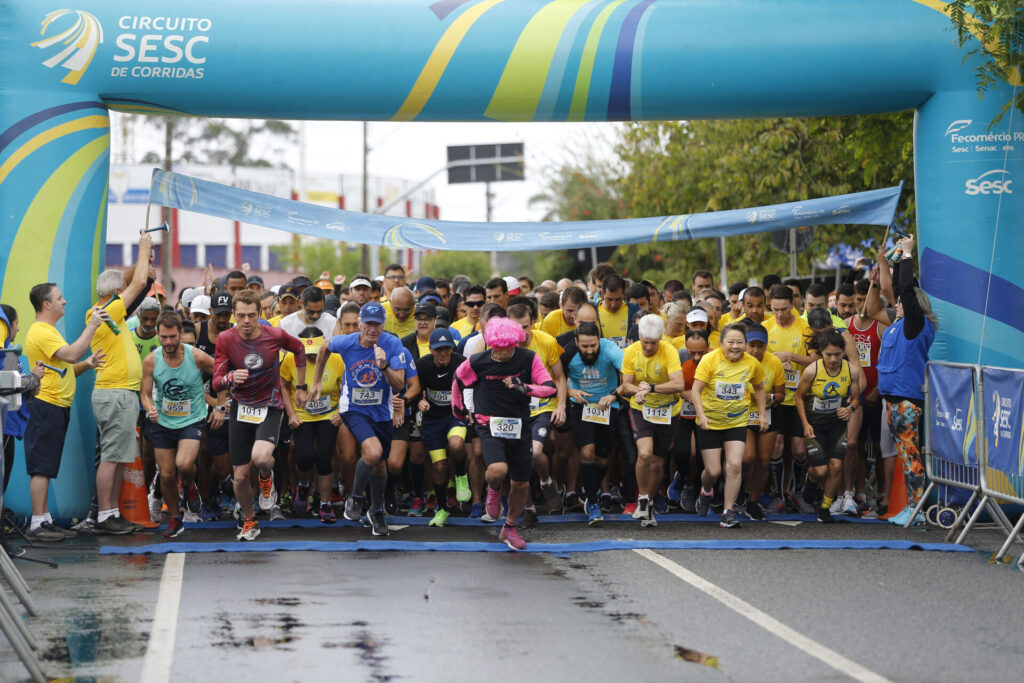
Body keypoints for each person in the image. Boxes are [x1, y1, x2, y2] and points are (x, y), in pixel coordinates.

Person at [212, 289, 307, 541]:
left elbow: (299, 349)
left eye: (251, 315)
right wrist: (231, 377)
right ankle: (249, 519)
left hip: (270, 406)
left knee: (262, 458)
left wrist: (300, 386)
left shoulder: (274, 335)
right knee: (241, 476)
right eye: (241, 315)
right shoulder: (225, 339)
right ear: (233, 315)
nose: (246, 321)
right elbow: (216, 382)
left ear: (260, 314)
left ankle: (266, 478)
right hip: (242, 408)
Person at [453, 317, 556, 550]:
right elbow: (458, 380)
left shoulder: (527, 358)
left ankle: (509, 527)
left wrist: (524, 387)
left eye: (508, 349)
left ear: (515, 343)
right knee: (498, 469)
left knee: (521, 484)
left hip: (520, 424)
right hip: (488, 423)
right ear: (491, 344)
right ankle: (494, 487)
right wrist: (460, 411)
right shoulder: (478, 361)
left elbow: (550, 387)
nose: (502, 354)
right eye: (497, 350)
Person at [312, 302, 408, 537]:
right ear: (361, 323)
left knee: (380, 465)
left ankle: (376, 511)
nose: (372, 329)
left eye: (377, 324)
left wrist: (384, 366)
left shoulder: (393, 344)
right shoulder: (347, 342)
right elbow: (324, 347)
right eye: (368, 324)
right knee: (373, 453)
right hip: (353, 408)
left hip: (382, 412)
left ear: (383, 325)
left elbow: (399, 384)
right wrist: (315, 381)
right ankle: (354, 498)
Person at [24, 283, 106, 542]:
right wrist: (92, 326)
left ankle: (45, 519)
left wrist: (87, 363)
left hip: (55, 406)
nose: (65, 301)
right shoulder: (42, 331)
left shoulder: (48, 331)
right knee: (41, 467)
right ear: (46, 304)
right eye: (60, 298)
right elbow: (70, 355)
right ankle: (37, 522)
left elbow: (65, 367)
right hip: (46, 405)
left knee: (46, 465)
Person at [87, 233, 153, 535]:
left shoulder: (109, 314)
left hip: (118, 393)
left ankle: (110, 512)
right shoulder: (107, 310)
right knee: (112, 457)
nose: (126, 295)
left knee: (115, 456)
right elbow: (138, 284)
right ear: (115, 291)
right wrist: (143, 249)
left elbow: (139, 283)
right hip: (114, 394)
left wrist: (145, 260)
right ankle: (104, 514)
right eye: (122, 292)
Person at [875, 235, 936, 526]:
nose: (897, 303)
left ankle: (919, 510)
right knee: (904, 454)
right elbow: (901, 288)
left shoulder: (916, 325)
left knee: (910, 455)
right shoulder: (898, 326)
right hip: (893, 401)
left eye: (901, 302)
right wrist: (895, 258)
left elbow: (907, 289)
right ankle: (913, 506)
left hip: (908, 402)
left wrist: (908, 255)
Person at [141, 312, 217, 537]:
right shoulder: (151, 360)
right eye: (163, 337)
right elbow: (144, 393)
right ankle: (175, 518)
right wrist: (149, 408)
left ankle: (190, 486)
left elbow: (221, 374)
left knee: (184, 465)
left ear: (181, 334)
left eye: (173, 336)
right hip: (163, 421)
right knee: (166, 475)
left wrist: (220, 404)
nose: (168, 342)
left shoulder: (197, 356)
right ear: (157, 335)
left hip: (191, 418)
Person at [691, 323, 769, 528]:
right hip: (710, 422)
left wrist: (761, 415)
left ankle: (728, 511)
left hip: (737, 421)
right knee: (714, 471)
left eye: (740, 342)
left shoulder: (752, 363)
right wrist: (701, 416)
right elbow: (695, 391)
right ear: (721, 343)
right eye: (731, 342)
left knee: (734, 464)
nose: (735, 347)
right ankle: (706, 490)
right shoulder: (710, 360)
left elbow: (760, 389)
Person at [620, 314, 685, 527]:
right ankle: (641, 499)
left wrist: (652, 388)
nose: (648, 347)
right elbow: (625, 384)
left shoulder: (669, 351)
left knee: (658, 463)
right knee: (645, 453)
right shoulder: (631, 351)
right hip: (642, 408)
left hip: (668, 409)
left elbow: (678, 384)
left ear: (661, 339)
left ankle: (648, 502)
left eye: (653, 343)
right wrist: (638, 390)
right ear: (639, 337)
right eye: (645, 342)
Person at [508, 303, 567, 522]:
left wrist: (561, 405)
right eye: (516, 328)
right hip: (515, 409)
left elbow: (560, 377)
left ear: (532, 322)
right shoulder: (504, 345)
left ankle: (546, 483)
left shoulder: (546, 342)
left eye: (525, 327)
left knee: (534, 451)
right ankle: (529, 508)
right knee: (516, 458)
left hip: (543, 405)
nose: (521, 333)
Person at [562, 322, 624, 526]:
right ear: (576, 342)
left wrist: (614, 396)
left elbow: (629, 374)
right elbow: (555, 378)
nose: (589, 350)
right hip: (581, 405)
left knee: (603, 459)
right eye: (584, 346)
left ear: (600, 341)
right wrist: (571, 392)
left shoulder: (611, 349)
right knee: (587, 451)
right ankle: (594, 504)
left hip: (607, 407)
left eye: (593, 346)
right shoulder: (568, 352)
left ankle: (588, 491)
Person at [795, 328, 859, 523]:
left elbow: (856, 398)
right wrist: (805, 424)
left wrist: (850, 409)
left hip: (837, 424)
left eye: (837, 355)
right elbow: (799, 397)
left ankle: (824, 508)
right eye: (828, 354)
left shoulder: (851, 370)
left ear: (843, 353)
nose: (832, 359)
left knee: (836, 467)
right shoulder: (812, 370)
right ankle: (811, 480)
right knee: (821, 470)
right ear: (821, 352)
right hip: (814, 424)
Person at [282, 326, 344, 524]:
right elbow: (283, 385)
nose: (310, 357)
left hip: (329, 414)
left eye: (315, 353)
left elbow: (347, 386)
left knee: (325, 459)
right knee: (306, 456)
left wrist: (342, 413)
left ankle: (325, 503)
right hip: (302, 414)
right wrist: (291, 413)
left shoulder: (336, 359)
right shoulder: (290, 359)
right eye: (307, 353)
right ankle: (303, 485)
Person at [765, 284, 814, 513]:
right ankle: (778, 494)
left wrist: (792, 356)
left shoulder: (805, 328)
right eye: (775, 309)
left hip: (799, 398)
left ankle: (797, 493)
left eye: (784, 309)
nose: (780, 314)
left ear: (793, 305)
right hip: (775, 398)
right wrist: (775, 361)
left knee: (799, 450)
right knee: (776, 447)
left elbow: (817, 359)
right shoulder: (765, 327)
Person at [415, 329, 469, 527]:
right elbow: (414, 389)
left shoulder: (462, 362)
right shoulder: (422, 365)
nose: (443, 353)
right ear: (430, 349)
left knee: (456, 445)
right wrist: (419, 402)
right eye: (439, 349)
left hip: (455, 416)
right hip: (432, 420)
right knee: (438, 466)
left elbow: (472, 386)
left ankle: (462, 477)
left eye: (447, 349)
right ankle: (442, 507)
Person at [741, 323, 785, 520]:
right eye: (752, 345)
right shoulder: (737, 361)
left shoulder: (774, 362)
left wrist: (771, 398)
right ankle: (739, 490)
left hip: (767, 414)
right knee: (747, 457)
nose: (756, 350)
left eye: (761, 346)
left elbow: (782, 393)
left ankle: (752, 501)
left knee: (763, 460)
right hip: (743, 414)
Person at [670, 330, 710, 512]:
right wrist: (687, 394)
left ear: (708, 347)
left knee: (700, 455)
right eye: (692, 352)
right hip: (685, 414)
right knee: (683, 452)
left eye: (701, 352)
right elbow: (674, 386)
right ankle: (682, 478)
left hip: (707, 414)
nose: (696, 357)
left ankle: (692, 487)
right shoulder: (681, 360)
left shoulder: (715, 359)